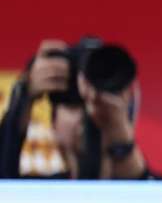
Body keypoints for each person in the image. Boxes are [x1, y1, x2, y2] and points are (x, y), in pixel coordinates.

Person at [0, 37, 154, 180]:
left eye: (102, 101)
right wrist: (24, 96)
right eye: (73, 104)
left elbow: (143, 192)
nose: (90, 111)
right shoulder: (40, 193)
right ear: (54, 121)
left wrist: (121, 144)